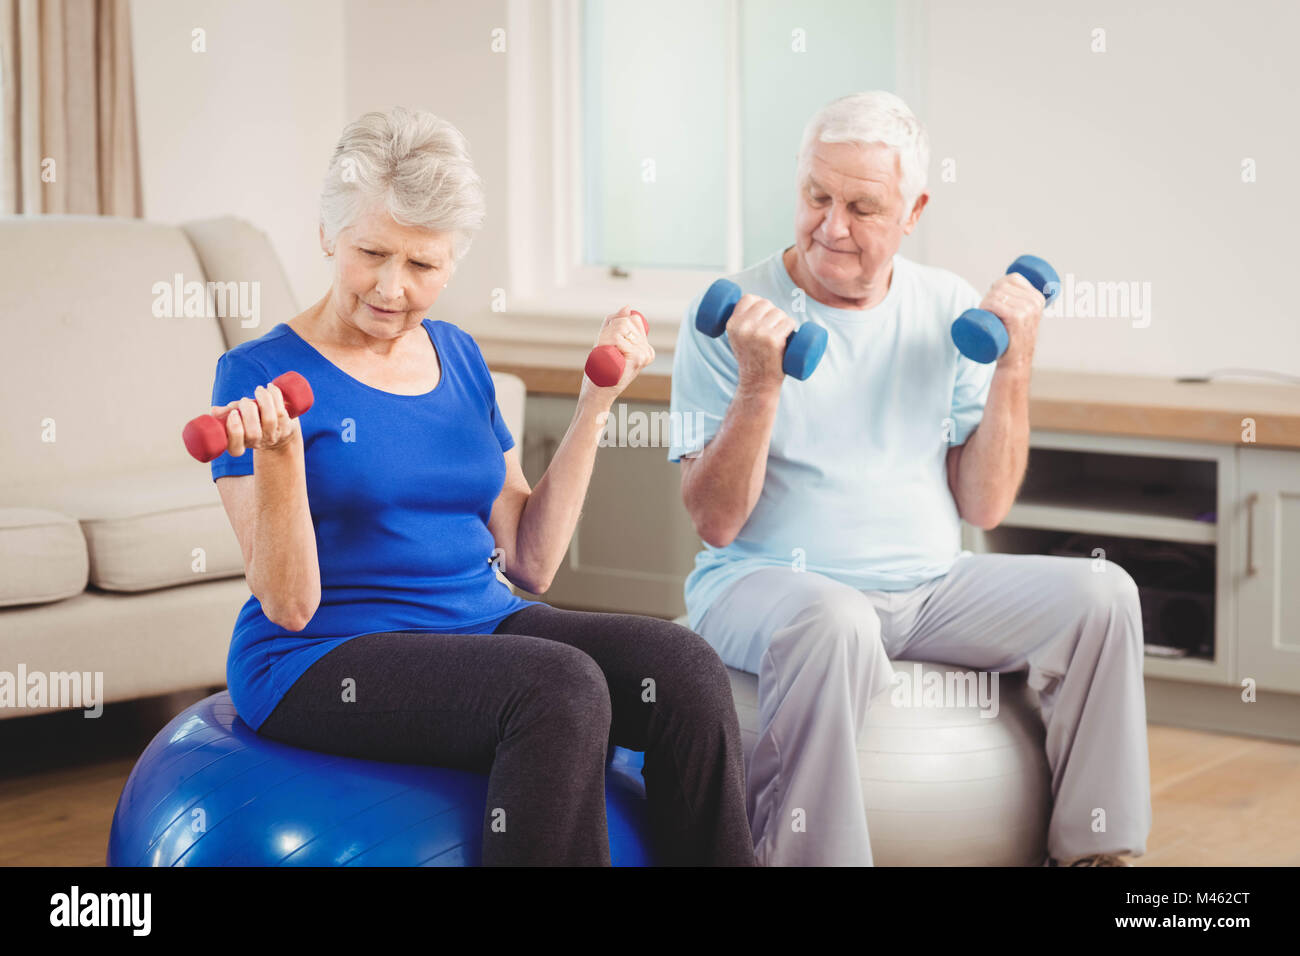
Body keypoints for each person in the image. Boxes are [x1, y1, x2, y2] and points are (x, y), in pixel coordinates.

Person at [209, 106, 753, 866]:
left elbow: (530, 562)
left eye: (423, 265)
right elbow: (290, 605)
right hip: (322, 656)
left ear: (454, 261)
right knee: (558, 688)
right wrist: (279, 459)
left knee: (685, 667)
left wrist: (598, 402)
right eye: (372, 252)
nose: (393, 288)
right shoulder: (256, 375)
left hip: (479, 621)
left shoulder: (459, 356)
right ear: (328, 233)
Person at [668, 91, 1152, 867]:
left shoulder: (948, 306)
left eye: (861, 206)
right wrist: (760, 385)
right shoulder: (734, 315)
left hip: (930, 589)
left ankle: (1099, 855)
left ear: (913, 209)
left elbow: (985, 504)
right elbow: (716, 523)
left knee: (1105, 595)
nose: (831, 226)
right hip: (762, 586)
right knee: (834, 620)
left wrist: (1015, 363)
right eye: (816, 197)